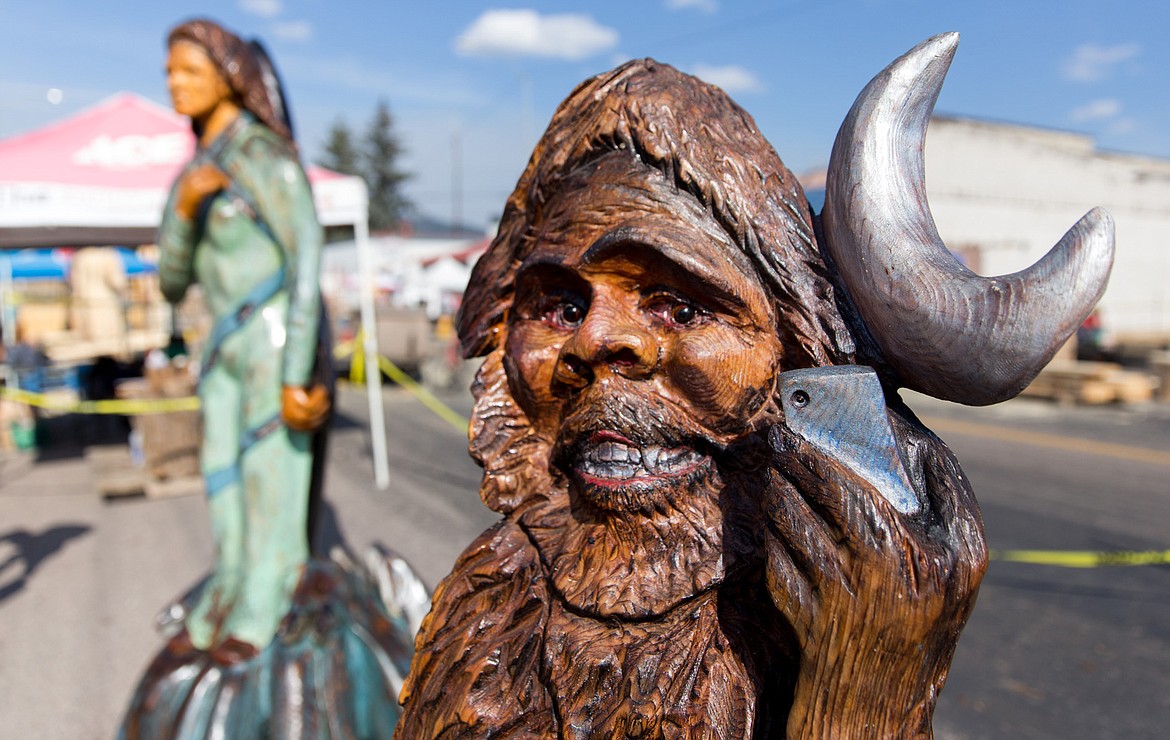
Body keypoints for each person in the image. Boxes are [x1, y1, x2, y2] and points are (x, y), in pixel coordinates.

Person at [397, 43, 1110, 736]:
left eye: (679, 306)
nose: (594, 342)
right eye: (560, 306)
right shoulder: (487, 602)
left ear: (794, 356)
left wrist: (860, 695)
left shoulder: (780, 643)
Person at [121, 19, 416, 739]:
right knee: (220, 473)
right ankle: (230, 587)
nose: (174, 83)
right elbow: (169, 279)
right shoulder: (196, 171)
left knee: (269, 482)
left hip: (274, 338)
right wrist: (187, 209)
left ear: (227, 74)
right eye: (168, 71)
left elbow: (307, 260)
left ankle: (265, 602)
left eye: (187, 69)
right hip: (221, 350)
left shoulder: (264, 158)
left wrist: (297, 370)